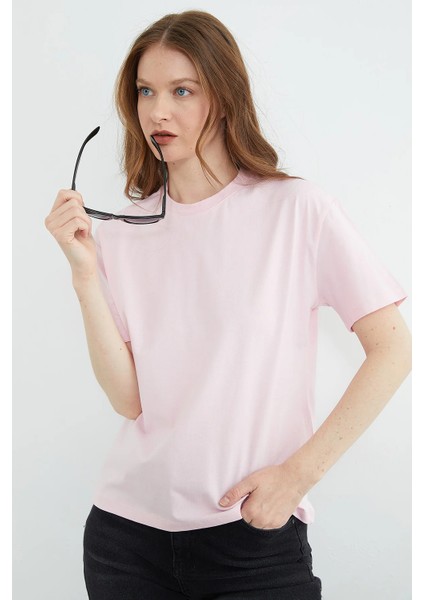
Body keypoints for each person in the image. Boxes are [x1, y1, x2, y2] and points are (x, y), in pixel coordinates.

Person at [44, 10, 411, 600]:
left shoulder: (296, 210)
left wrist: (297, 476)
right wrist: (85, 275)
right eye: (145, 91)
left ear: (224, 96)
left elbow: (392, 349)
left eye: (181, 91)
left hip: (252, 540)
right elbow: (129, 400)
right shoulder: (121, 234)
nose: (157, 112)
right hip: (125, 542)